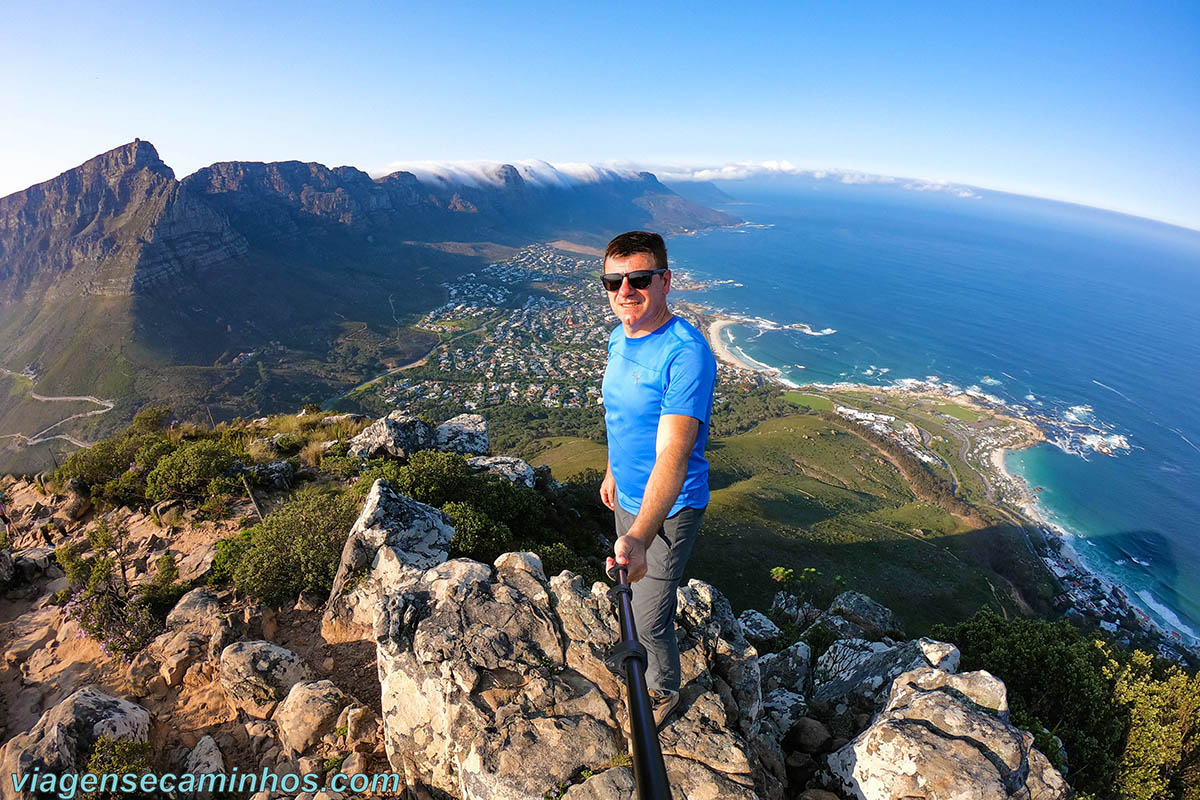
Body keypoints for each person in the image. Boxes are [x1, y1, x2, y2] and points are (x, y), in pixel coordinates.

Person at [600, 230, 717, 729]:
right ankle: (643, 655)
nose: (624, 291)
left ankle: (663, 689)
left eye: (639, 278)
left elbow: (673, 452)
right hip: (627, 496)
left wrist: (641, 535)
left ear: (666, 281)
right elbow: (619, 413)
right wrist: (611, 468)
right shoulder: (618, 335)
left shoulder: (685, 353)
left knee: (650, 615)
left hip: (667, 508)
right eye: (613, 281)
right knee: (635, 590)